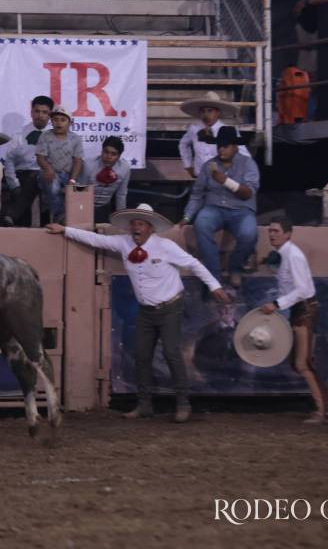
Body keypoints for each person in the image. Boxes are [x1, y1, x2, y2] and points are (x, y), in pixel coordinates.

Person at [47, 204, 230, 422]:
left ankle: (183, 403)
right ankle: (145, 404)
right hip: (146, 309)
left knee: (172, 353)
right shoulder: (124, 243)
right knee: (142, 356)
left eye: (140, 223)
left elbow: (194, 264)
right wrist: (66, 230)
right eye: (134, 223)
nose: (136, 227)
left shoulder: (165, 246)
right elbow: (96, 239)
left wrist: (215, 286)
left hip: (170, 306)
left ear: (150, 228)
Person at [258, 216, 328, 424]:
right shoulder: (286, 254)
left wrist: (276, 304)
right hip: (301, 310)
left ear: (287, 234)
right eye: (270, 231)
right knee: (300, 363)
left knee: (301, 363)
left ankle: (322, 411)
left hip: (304, 310)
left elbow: (302, 290)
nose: (272, 234)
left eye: (276, 231)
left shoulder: (293, 256)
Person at [179, 126, 260, 288]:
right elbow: (197, 194)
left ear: (235, 147)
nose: (221, 149)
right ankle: (213, 274)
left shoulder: (248, 163)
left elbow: (248, 193)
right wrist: (187, 216)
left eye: (226, 146)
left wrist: (225, 181)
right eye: (219, 146)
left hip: (241, 211)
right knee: (201, 222)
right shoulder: (209, 165)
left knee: (250, 232)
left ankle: (235, 267)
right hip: (214, 209)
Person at [3, 95, 52, 227]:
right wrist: (14, 184)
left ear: (50, 115)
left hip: (47, 176)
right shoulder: (19, 135)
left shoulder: (55, 137)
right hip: (22, 177)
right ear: (31, 112)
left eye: (45, 112)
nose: (40, 115)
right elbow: (9, 161)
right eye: (37, 111)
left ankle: (12, 214)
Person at [177, 91, 252, 179]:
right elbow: (183, 144)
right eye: (203, 111)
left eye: (210, 111)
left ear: (217, 113)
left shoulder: (228, 130)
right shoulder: (194, 129)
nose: (206, 115)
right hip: (201, 177)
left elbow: (245, 156)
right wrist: (188, 166)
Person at [36, 105, 83, 225]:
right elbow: (40, 158)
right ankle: (60, 216)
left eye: (63, 120)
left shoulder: (75, 139)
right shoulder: (45, 136)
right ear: (51, 121)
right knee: (54, 186)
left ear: (69, 123)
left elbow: (78, 161)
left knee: (80, 191)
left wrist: (72, 180)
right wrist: (48, 169)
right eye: (55, 119)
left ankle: (79, 224)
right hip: (48, 173)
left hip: (67, 175)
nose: (58, 123)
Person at [82, 136, 131, 224]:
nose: (108, 156)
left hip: (105, 207)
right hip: (85, 206)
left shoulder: (124, 169)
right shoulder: (88, 165)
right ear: (102, 151)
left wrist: (122, 220)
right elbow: (80, 189)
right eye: (106, 152)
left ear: (119, 156)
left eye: (113, 154)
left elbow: (121, 195)